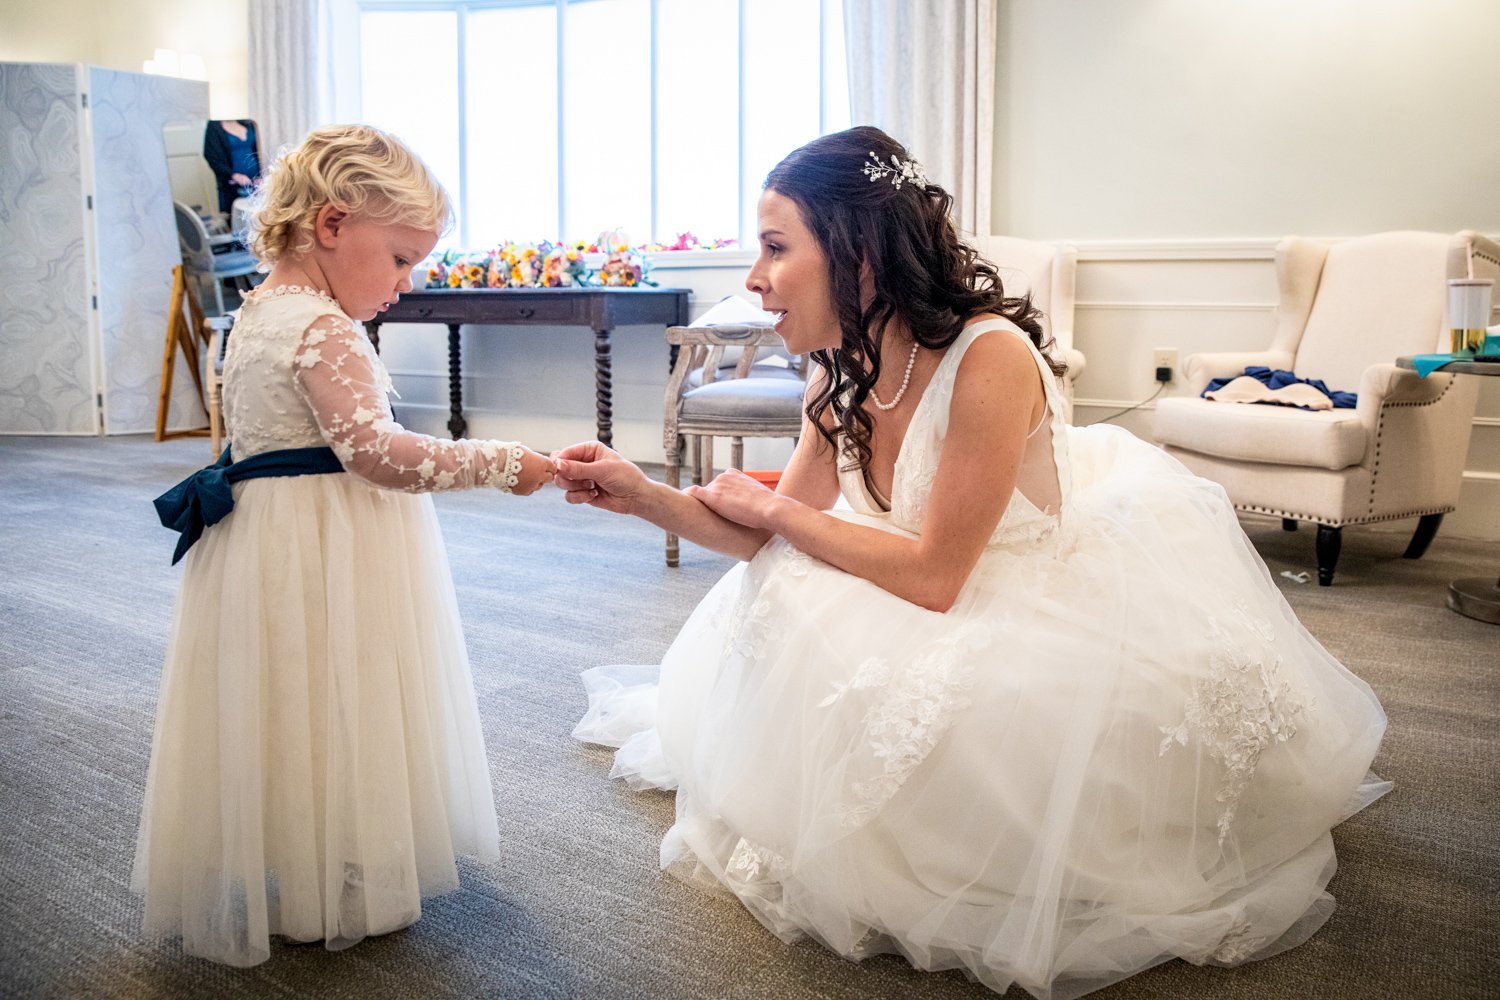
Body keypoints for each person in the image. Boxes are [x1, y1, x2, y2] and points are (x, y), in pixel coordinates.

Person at [559, 126, 1389, 1000]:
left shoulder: (987, 357)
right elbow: (775, 533)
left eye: (774, 247)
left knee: (982, 712)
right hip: (917, 563)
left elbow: (933, 578)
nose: (754, 278)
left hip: (1010, 576)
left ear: (860, 253)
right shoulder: (836, 366)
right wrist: (644, 493)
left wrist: (769, 507)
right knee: (779, 583)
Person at [134, 124, 556, 967]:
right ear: (331, 227)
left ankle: (299, 855)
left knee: (290, 698)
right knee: (343, 691)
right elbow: (380, 454)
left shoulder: (254, 312)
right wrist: (506, 462)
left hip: (266, 544)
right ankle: (336, 877)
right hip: (329, 544)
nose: (407, 284)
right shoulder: (325, 327)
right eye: (400, 259)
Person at [203, 118, 261, 218]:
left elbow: (257, 150)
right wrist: (234, 176)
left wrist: (260, 175)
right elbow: (211, 157)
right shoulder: (214, 126)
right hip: (232, 185)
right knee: (238, 219)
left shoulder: (248, 122)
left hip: (255, 183)